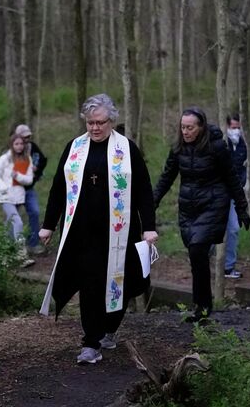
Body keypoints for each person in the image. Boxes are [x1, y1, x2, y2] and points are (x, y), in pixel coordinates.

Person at [38, 94, 158, 365]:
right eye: (90, 123)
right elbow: (59, 188)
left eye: (100, 122)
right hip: (83, 233)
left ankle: (109, 329)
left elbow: (143, 191)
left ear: (111, 121)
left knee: (121, 284)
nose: (95, 128)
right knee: (90, 286)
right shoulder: (75, 148)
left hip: (120, 232)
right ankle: (91, 342)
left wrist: (148, 228)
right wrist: (48, 225)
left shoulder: (127, 149)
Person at [154, 107, 249, 323]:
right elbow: (167, 177)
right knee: (196, 255)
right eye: (183, 127)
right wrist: (152, 202)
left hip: (214, 203)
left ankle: (203, 307)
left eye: (190, 127)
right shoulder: (178, 148)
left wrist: (242, 207)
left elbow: (232, 178)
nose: (185, 131)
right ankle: (201, 306)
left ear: (201, 127)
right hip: (189, 207)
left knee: (198, 248)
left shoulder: (216, 147)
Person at [0, 133, 36, 269]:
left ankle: (4, 257)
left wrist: (17, 176)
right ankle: (21, 256)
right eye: (16, 144)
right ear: (12, 144)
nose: (19, 146)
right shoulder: (5, 159)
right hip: (6, 197)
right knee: (18, 222)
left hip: (19, 196)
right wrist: (3, 187)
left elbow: (29, 179)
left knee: (9, 226)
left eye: (21, 144)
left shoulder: (27, 159)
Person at [14, 124, 48, 256]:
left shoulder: (32, 147)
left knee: (34, 212)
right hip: (14, 189)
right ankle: (12, 246)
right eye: (24, 136)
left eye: (28, 136)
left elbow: (43, 160)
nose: (27, 139)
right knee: (13, 217)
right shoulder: (11, 150)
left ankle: (33, 244)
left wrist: (37, 171)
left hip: (29, 188)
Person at [223, 113, 247, 279]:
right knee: (212, 229)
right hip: (218, 194)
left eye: (238, 128)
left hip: (234, 194)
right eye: (233, 127)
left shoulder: (243, 146)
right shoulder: (220, 145)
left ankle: (229, 267)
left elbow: (243, 170)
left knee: (233, 229)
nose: (236, 131)